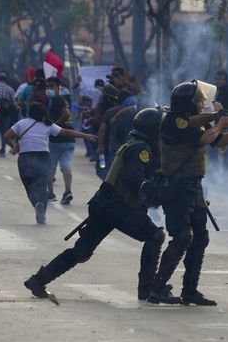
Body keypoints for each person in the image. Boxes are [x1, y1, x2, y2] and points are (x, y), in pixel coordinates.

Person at [23, 108, 166, 301]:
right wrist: (154, 192)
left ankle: (38, 280)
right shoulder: (140, 149)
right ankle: (147, 290)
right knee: (155, 236)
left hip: (104, 204)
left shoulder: (133, 144)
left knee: (81, 251)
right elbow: (134, 179)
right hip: (117, 207)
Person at [147, 80, 228, 306]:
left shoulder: (192, 123)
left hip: (193, 187)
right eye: (198, 102)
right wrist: (219, 121)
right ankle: (157, 287)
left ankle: (190, 290)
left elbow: (220, 141)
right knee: (182, 236)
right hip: (177, 187)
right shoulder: (174, 121)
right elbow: (205, 138)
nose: (202, 106)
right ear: (187, 104)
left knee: (200, 238)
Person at [3, 103, 96, 224]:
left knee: (29, 185)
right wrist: (86, 136)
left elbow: (6, 136)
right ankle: (41, 212)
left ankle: (37, 203)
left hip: (26, 157)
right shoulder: (48, 125)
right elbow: (67, 132)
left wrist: (15, 146)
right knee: (42, 185)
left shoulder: (21, 123)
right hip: (44, 157)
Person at [45, 76, 76, 204]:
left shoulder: (57, 99)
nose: (49, 89)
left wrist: (54, 128)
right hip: (70, 138)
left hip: (57, 139)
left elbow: (66, 114)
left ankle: (50, 194)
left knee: (50, 167)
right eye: (47, 86)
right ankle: (67, 191)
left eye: (51, 86)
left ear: (58, 87)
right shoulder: (63, 99)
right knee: (66, 165)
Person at [0, 72, 18, 157]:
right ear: (6, 80)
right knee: (4, 132)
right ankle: (2, 151)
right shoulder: (10, 89)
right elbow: (13, 103)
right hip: (5, 114)